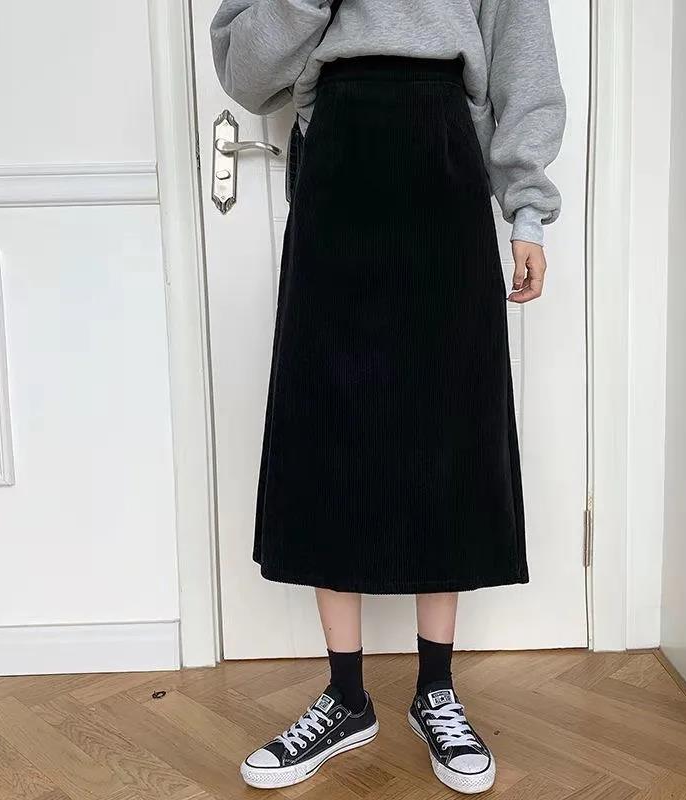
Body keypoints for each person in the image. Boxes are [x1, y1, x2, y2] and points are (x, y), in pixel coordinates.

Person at [210, 0, 565, 792]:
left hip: (445, 157)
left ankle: (436, 688)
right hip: (337, 163)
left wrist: (528, 213)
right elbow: (246, 72)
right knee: (328, 426)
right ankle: (346, 696)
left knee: (447, 429)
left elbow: (522, 63)